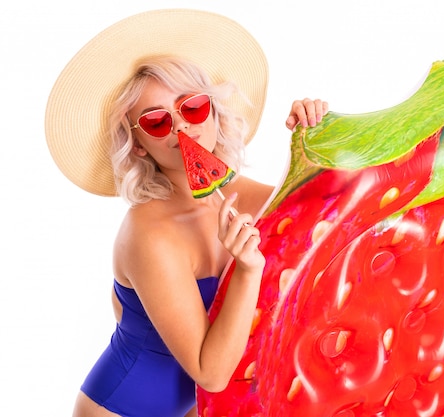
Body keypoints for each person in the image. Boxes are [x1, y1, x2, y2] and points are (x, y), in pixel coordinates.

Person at [45, 9, 328, 417]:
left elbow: (327, 215)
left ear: (212, 110)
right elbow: (209, 374)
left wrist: (313, 141)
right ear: (139, 144)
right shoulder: (149, 232)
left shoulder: (242, 195)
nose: (182, 129)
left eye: (191, 107)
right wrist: (247, 271)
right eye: (158, 121)